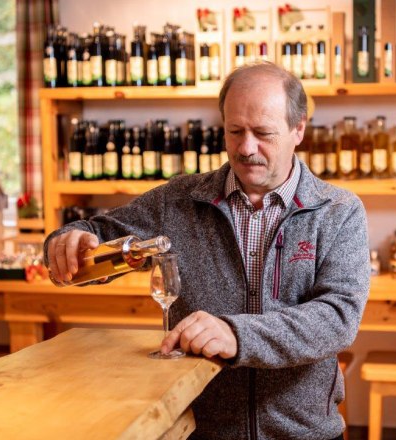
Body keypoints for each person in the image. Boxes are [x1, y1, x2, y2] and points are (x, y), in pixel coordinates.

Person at [45, 62, 370, 440]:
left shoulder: (338, 211)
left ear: (298, 129)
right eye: (235, 132)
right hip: (200, 430)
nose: (247, 148)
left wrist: (237, 334)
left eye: (263, 133)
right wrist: (69, 239)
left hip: (305, 432)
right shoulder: (178, 200)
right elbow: (96, 236)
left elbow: (337, 319)